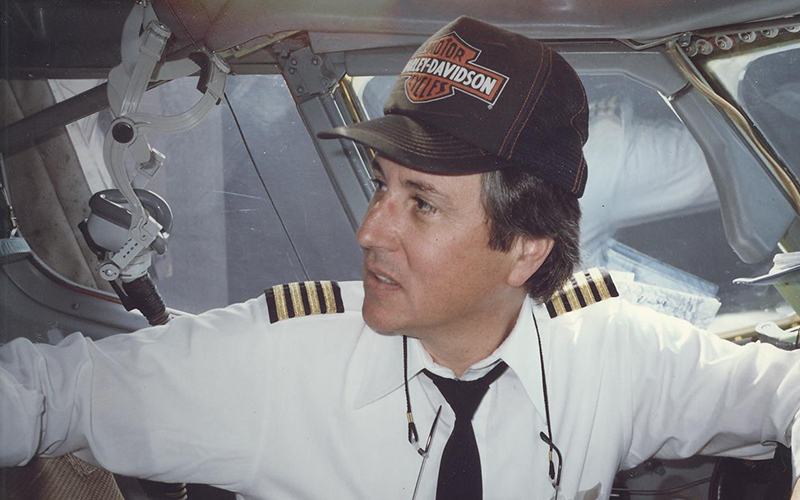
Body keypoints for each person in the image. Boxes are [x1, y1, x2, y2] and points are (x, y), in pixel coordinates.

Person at [2, 15, 800, 500]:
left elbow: (779, 388)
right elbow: (48, 395)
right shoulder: (276, 362)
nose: (370, 231)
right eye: (382, 186)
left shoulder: (616, 352)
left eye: (421, 202)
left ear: (525, 246)